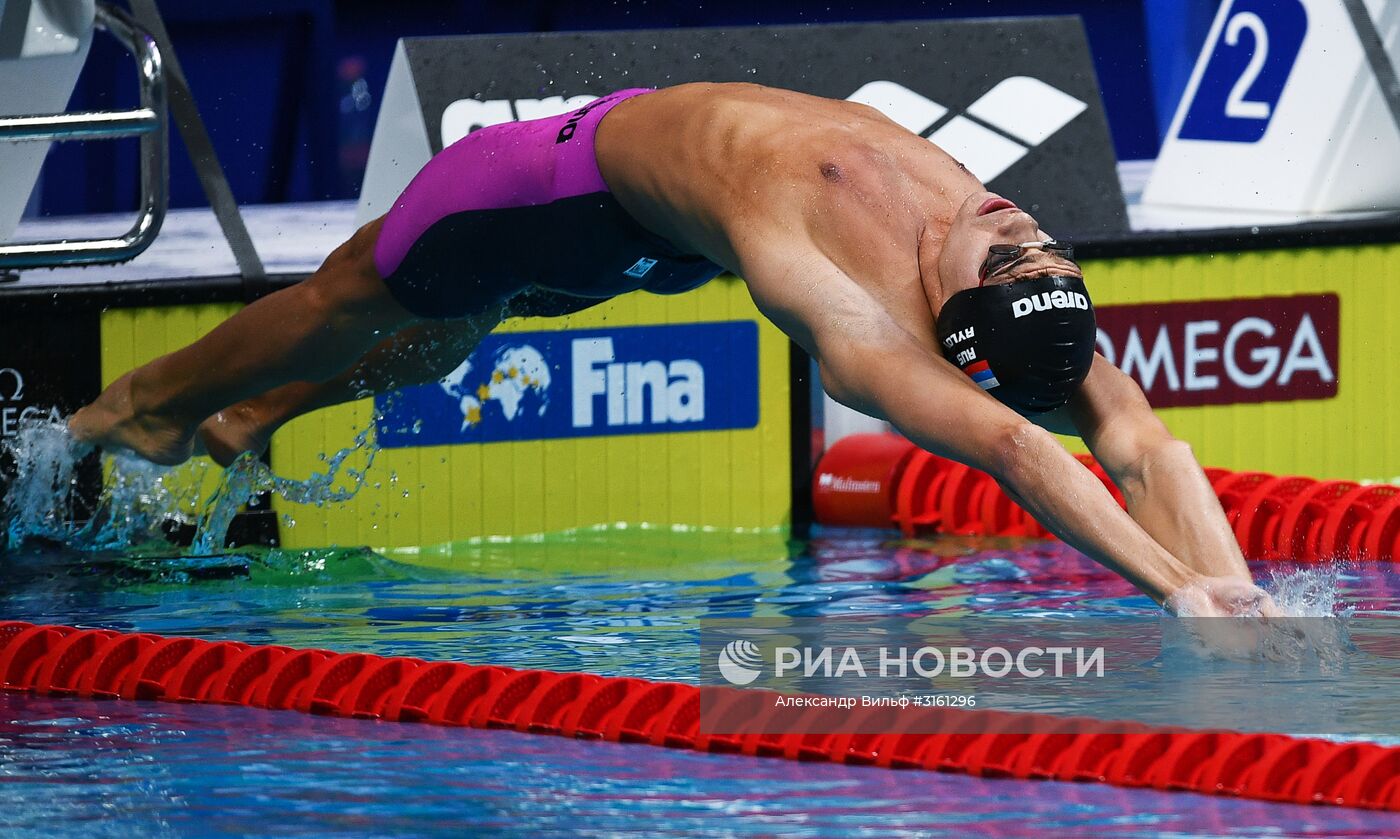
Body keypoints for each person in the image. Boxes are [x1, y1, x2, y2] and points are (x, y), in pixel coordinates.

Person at [70, 83, 1280, 618]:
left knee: (445, 349)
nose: (1017, 227)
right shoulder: (851, 317)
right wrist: (1174, 590)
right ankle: (146, 406)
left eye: (1022, 260)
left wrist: (1236, 597)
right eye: (1025, 248)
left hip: (658, 230)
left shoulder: (1005, 290)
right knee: (366, 299)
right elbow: (1014, 442)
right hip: (543, 187)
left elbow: (1140, 441)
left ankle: (253, 419)